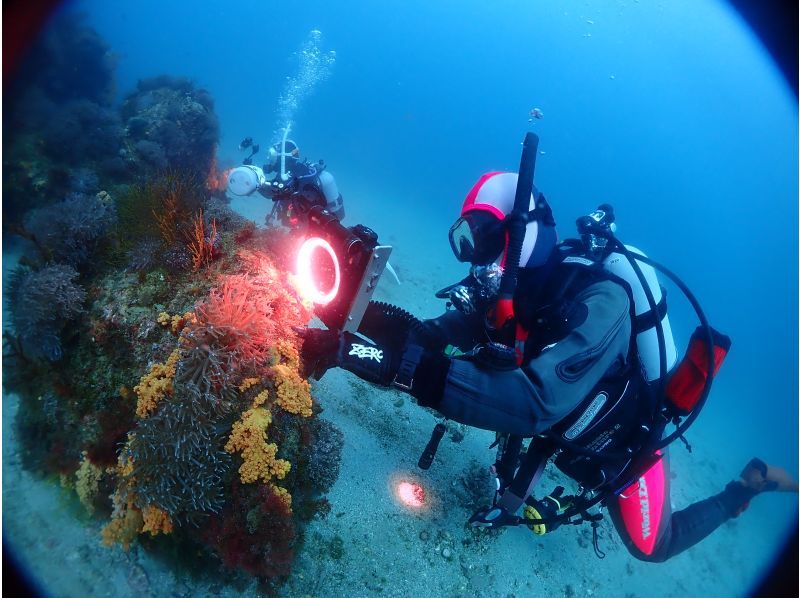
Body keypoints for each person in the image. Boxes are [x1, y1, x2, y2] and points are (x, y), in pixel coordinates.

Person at [299, 160, 797, 562]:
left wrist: (368, 359)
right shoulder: (508, 294)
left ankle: (741, 492)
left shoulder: (603, 300)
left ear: (526, 235)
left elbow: (534, 405)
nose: (478, 260)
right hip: (554, 432)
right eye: (467, 241)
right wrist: (346, 311)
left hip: (617, 447)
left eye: (486, 239)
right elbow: (431, 337)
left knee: (654, 546)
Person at [226, 136, 345, 226]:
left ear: (283, 158)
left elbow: (272, 192)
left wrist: (254, 181)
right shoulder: (291, 173)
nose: (270, 161)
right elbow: (274, 190)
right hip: (308, 222)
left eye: (272, 157)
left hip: (316, 223)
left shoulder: (295, 176)